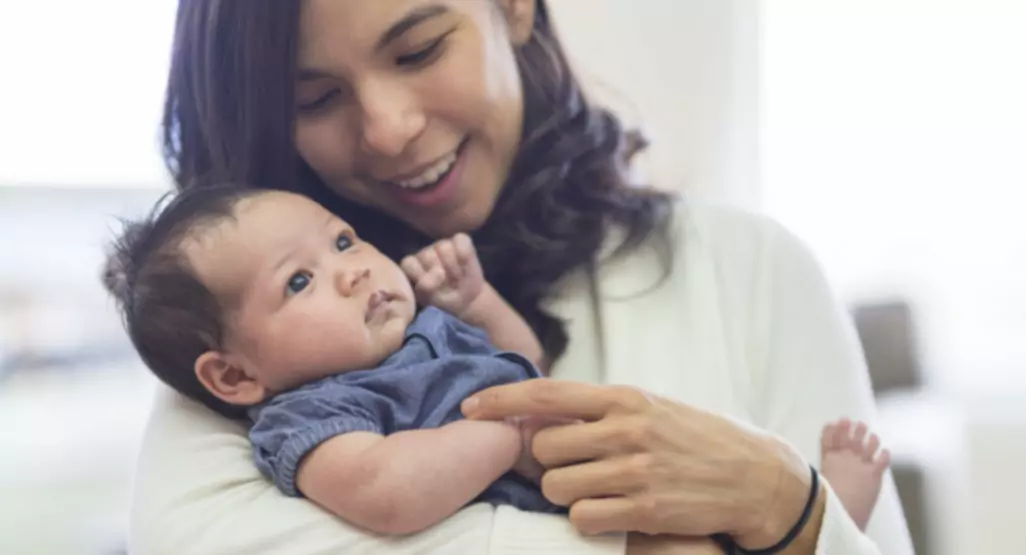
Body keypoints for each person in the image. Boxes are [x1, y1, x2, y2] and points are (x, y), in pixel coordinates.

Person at [129, 0, 916, 553]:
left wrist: (789, 501)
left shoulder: (751, 267)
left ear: (512, 5)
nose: (389, 129)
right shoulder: (257, 357)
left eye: (419, 50)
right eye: (318, 98)